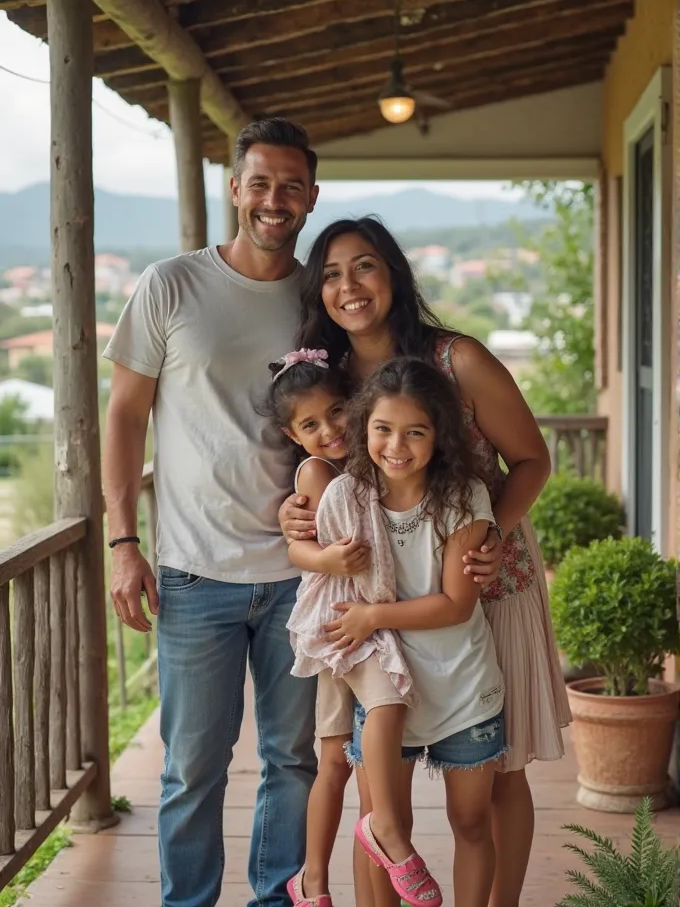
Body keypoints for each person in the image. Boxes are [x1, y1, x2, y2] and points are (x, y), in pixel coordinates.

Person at [280, 217, 571, 907]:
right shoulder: (323, 379)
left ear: (395, 276)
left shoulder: (456, 359)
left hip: (482, 578)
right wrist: (298, 512)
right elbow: (315, 471)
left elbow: (532, 459)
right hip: (380, 591)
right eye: (330, 273)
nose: (349, 286)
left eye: (365, 267)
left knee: (498, 770)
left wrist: (485, 537)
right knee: (379, 788)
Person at [102, 118, 322, 907]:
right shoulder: (171, 285)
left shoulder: (317, 298)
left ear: (311, 197)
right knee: (191, 767)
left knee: (293, 759)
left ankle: (277, 899)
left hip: (303, 575)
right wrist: (123, 541)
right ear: (235, 189)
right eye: (260, 182)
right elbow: (124, 416)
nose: (274, 199)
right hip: (195, 576)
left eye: (291, 185)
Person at [292, 356, 507, 907]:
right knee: (386, 827)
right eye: (383, 429)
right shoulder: (347, 496)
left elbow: (458, 605)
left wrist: (372, 617)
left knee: (473, 822)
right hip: (386, 681)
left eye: (416, 431)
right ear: (363, 429)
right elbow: (324, 572)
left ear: (440, 434)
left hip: (464, 684)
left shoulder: (464, 498)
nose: (397, 445)